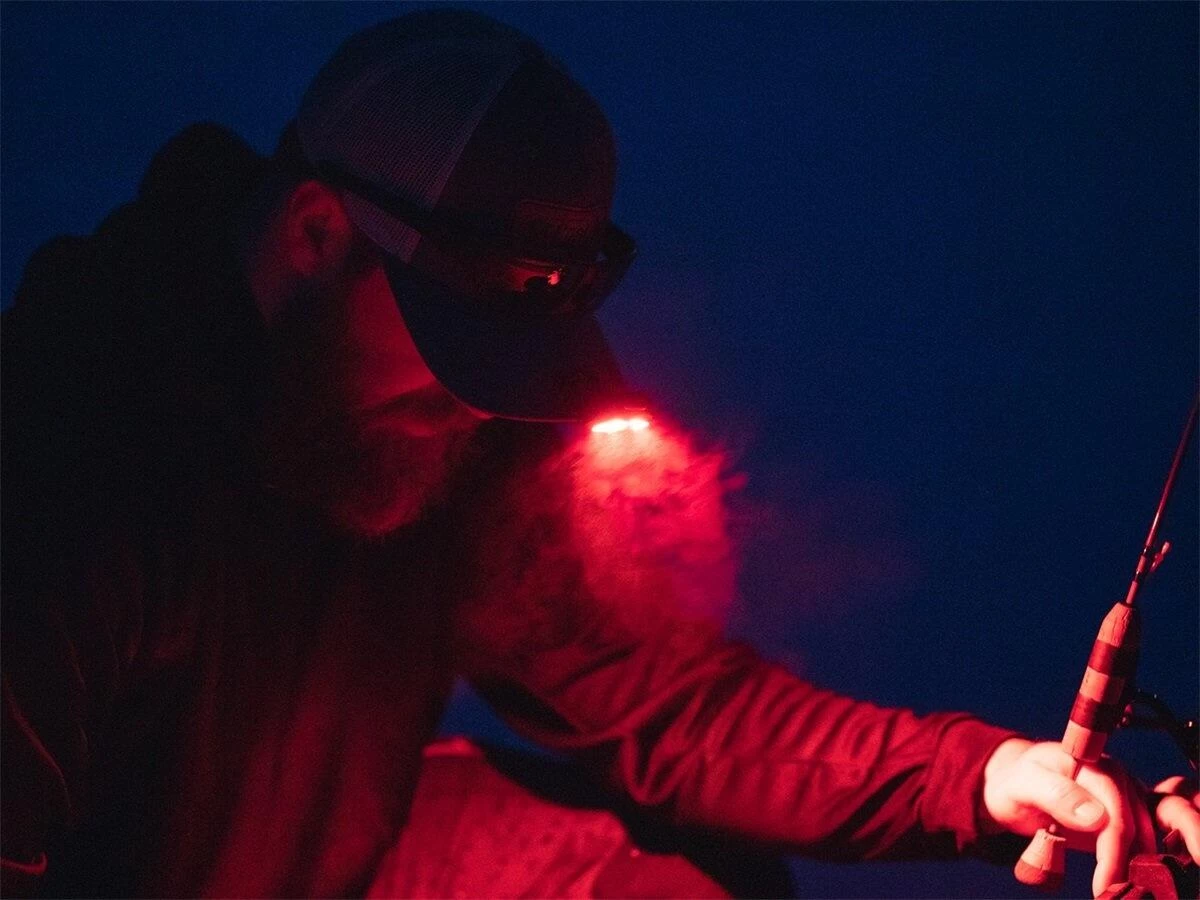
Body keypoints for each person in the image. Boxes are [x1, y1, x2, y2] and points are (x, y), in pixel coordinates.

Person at [2, 10, 1196, 899]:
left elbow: (666, 705)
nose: (480, 408)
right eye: (453, 340)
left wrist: (979, 777)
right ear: (316, 234)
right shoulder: (69, 456)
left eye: (509, 357)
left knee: (676, 877)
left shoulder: (423, 443)